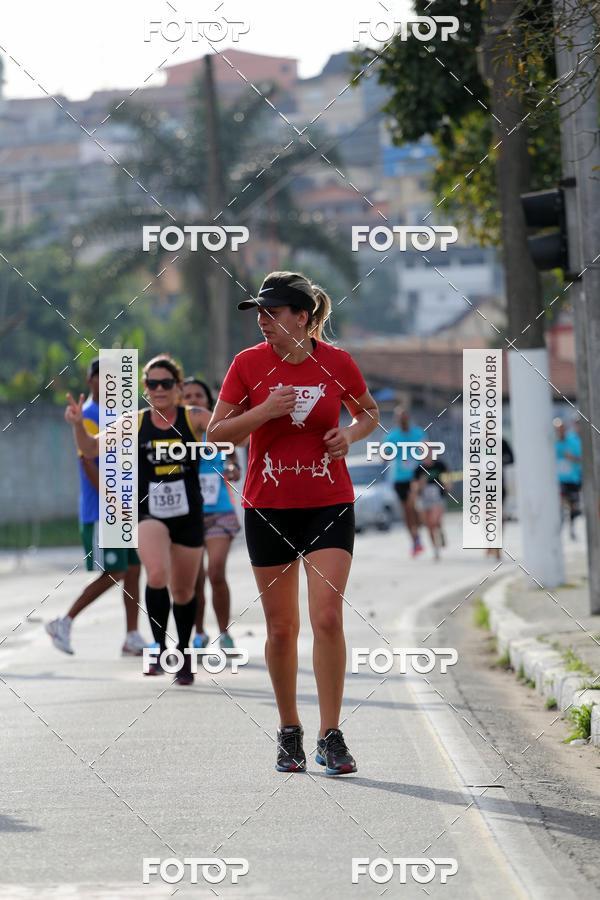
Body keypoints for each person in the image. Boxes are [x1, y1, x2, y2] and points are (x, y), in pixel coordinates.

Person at [207, 271, 379, 775]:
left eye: (273, 313)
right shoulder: (248, 365)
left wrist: (351, 435)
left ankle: (331, 733)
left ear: (303, 318)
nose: (262, 322)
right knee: (282, 629)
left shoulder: (338, 362)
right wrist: (263, 411)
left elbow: (367, 412)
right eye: (258, 314)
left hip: (329, 502)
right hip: (269, 508)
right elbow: (219, 435)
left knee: (327, 617)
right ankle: (289, 730)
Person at [64, 354, 212, 685]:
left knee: (185, 590)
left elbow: (232, 434)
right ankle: (158, 649)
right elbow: (90, 449)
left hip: (188, 514)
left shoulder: (195, 418)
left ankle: (184, 654)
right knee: (156, 573)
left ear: (178, 386)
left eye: (167, 383)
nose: (160, 389)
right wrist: (77, 425)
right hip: (149, 513)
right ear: (145, 388)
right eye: (153, 384)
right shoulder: (134, 422)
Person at [46, 358, 146, 657]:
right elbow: (87, 461)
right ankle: (63, 621)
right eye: (104, 378)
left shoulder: (120, 416)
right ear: (91, 380)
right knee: (115, 571)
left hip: (124, 508)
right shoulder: (89, 415)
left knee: (133, 570)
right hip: (102, 510)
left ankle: (132, 636)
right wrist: (114, 501)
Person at [181, 377, 241, 651]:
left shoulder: (218, 429)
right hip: (187, 513)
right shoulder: (175, 431)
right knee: (195, 578)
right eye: (188, 396)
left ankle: (224, 632)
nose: (193, 400)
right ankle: (199, 632)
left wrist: (231, 468)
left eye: (198, 395)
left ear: (209, 401)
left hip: (219, 512)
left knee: (216, 571)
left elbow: (233, 460)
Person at [387, 406, 426, 557]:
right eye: (399, 417)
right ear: (396, 420)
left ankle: (424, 528)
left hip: (416, 476)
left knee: (412, 505)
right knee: (407, 510)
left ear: (408, 418)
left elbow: (426, 449)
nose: (402, 420)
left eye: (404, 417)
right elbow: (384, 453)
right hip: (399, 478)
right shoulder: (392, 436)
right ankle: (415, 540)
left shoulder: (417, 433)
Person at [411, 445, 450, 561]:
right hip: (424, 498)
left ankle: (440, 530)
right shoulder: (418, 469)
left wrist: (447, 484)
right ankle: (435, 549)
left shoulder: (440, 465)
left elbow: (447, 478)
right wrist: (419, 486)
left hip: (438, 497)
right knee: (429, 525)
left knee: (435, 521)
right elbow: (414, 486)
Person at [554, 417, 582, 540]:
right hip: (559, 481)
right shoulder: (552, 443)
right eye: (557, 430)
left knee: (573, 506)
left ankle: (572, 528)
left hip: (573, 479)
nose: (560, 432)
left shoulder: (573, 441)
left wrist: (572, 458)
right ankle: (559, 529)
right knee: (560, 505)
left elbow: (581, 458)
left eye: (562, 429)